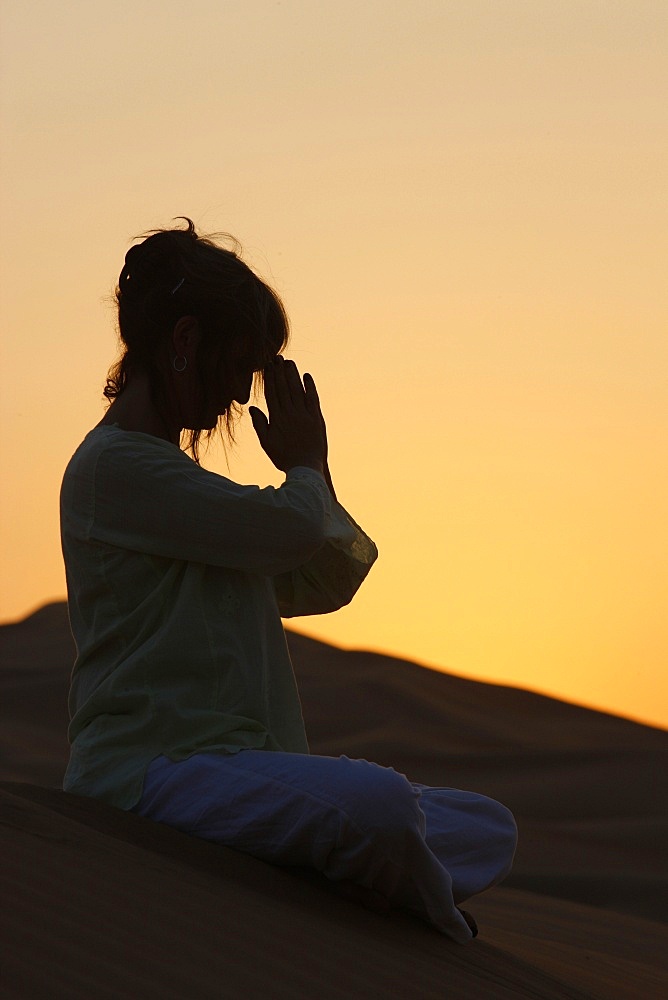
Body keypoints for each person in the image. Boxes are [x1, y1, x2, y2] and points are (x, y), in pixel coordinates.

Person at [60, 218, 516, 943]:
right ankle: (435, 928)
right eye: (240, 362)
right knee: (384, 809)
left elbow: (324, 576)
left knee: (486, 828)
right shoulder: (112, 471)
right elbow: (294, 530)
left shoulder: (187, 493)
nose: (243, 393)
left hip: (240, 768)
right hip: (151, 774)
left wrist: (315, 473)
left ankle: (342, 866)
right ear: (183, 343)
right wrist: (304, 466)